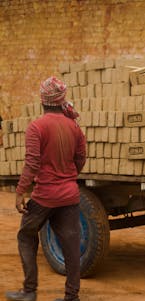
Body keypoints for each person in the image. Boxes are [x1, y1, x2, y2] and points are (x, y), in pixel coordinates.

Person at [6, 77, 86, 301]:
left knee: (26, 235)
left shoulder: (37, 127)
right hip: (69, 196)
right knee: (71, 245)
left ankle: (29, 291)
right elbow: (81, 159)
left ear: (42, 100)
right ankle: (72, 296)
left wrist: (21, 191)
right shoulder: (74, 127)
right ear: (61, 100)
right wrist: (68, 177)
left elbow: (32, 163)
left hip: (44, 197)